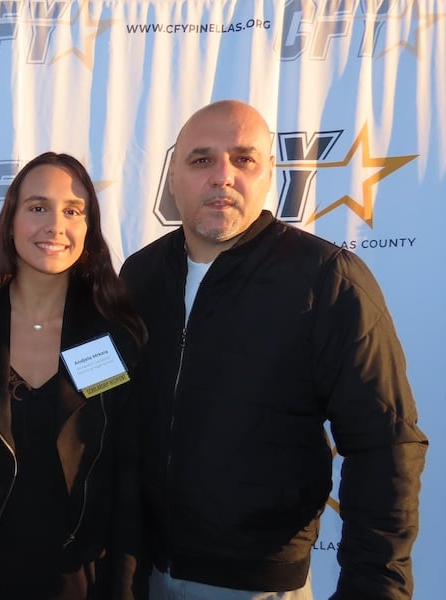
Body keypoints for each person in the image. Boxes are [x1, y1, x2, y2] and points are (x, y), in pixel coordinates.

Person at [119, 99, 428, 600]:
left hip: (261, 586)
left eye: (243, 159)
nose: (222, 175)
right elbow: (112, 406)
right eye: (201, 160)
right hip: (142, 576)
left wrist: (376, 588)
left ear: (269, 176)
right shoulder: (139, 276)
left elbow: (386, 444)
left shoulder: (326, 279)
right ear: (173, 177)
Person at [0, 152, 148, 600]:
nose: (56, 225)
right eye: (38, 207)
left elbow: (126, 472)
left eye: (73, 211)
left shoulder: (111, 329)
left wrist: (126, 590)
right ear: (11, 220)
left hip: (80, 577)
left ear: (88, 229)